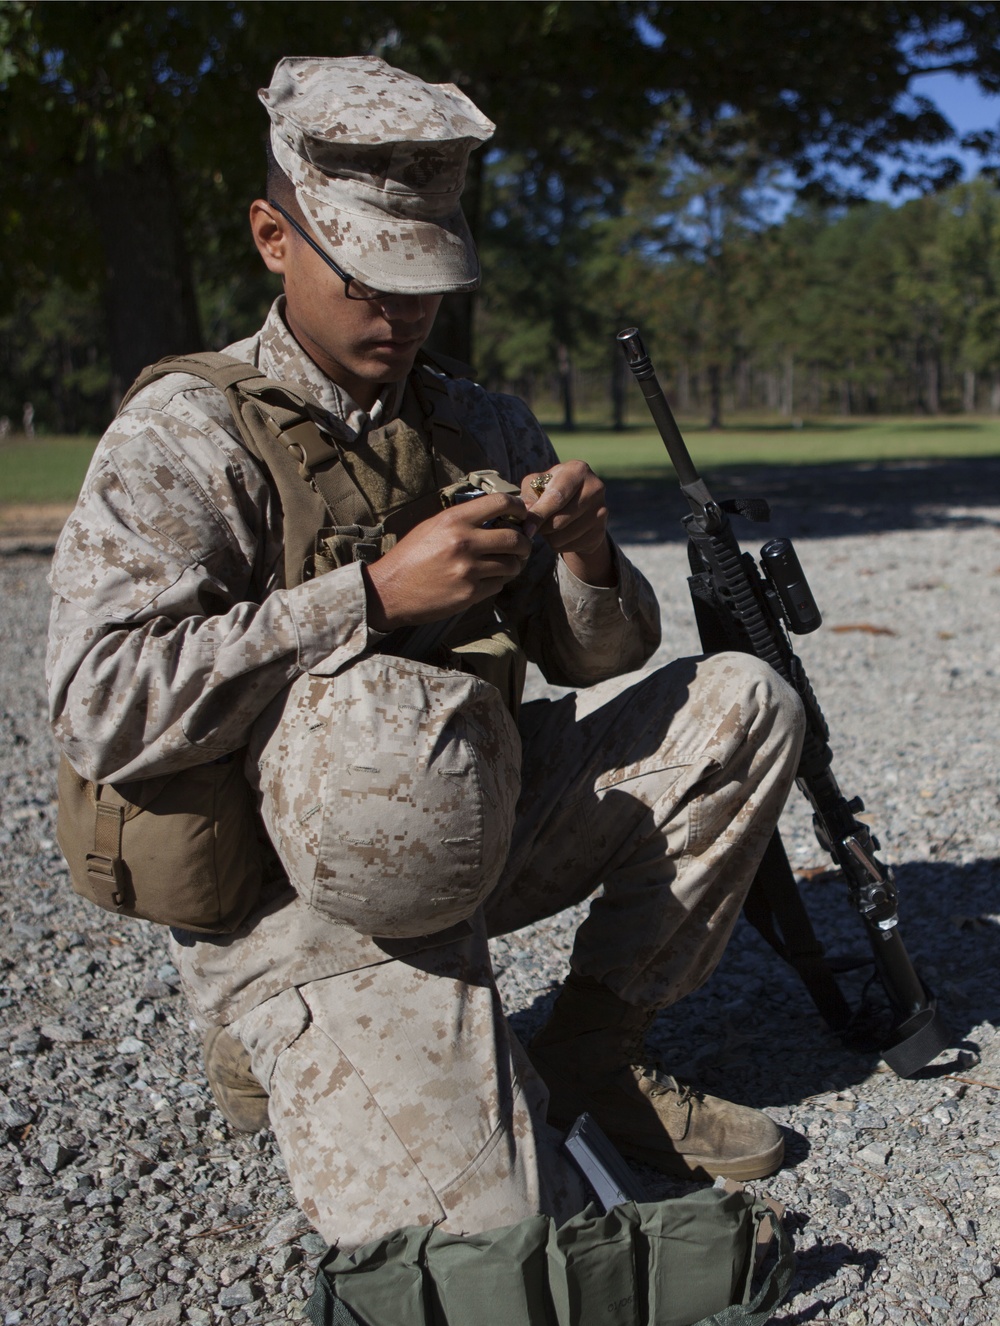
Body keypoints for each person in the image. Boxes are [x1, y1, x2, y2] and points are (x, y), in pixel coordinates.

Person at [47, 56, 805, 1253]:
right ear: (271, 237)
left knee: (745, 701)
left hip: (475, 812)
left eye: (425, 283)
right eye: (368, 276)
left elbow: (593, 656)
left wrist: (588, 559)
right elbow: (100, 706)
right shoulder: (185, 435)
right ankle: (275, 1025)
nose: (398, 314)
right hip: (290, 892)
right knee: (501, 1233)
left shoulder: (480, 421)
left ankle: (587, 1055)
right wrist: (370, 596)